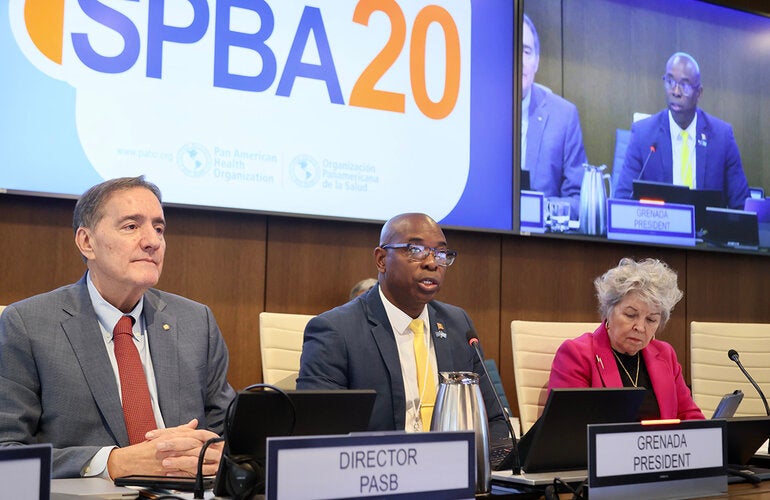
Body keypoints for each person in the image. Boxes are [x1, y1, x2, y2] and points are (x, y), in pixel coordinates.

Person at [0, 176, 236, 479]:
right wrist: (112, 463)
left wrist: (219, 455)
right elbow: (7, 450)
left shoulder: (195, 322)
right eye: (131, 226)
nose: (152, 241)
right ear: (87, 242)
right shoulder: (28, 324)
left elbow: (230, 436)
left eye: (159, 228)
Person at [297, 213, 507, 438]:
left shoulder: (457, 325)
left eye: (440, 253)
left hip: (454, 466)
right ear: (381, 260)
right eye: (415, 250)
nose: (431, 263)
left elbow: (495, 421)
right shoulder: (336, 331)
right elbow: (320, 435)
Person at [548, 258, 704, 420]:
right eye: (631, 315)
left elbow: (690, 416)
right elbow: (568, 427)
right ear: (609, 310)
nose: (640, 327)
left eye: (651, 320)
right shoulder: (577, 355)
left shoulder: (665, 355)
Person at [615, 52, 750, 209]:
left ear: (698, 92)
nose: (676, 92)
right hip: (658, 230)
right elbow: (622, 200)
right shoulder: (643, 134)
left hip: (705, 231)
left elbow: (741, 206)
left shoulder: (721, 137)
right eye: (670, 81)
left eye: (684, 86)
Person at [521, 13, 587, 219]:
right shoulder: (476, 113)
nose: (519, 60)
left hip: (542, 240)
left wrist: (538, 210)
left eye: (526, 51)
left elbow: (578, 199)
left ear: (536, 62)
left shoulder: (563, 116)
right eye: (512, 49)